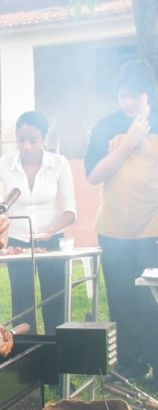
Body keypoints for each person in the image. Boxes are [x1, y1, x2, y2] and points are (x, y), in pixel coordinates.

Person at [85, 59, 158, 381]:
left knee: (151, 299)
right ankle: (130, 362)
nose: (128, 102)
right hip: (114, 229)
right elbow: (94, 174)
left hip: (152, 229)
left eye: (135, 96)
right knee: (121, 300)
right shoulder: (106, 126)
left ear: (148, 94)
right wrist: (129, 142)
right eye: (123, 96)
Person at [0, 111, 77, 334]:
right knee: (22, 303)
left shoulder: (59, 163)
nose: (26, 146)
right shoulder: (4, 164)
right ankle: (26, 357)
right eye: (21, 140)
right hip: (17, 243)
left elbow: (70, 211)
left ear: (44, 140)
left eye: (33, 140)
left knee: (55, 300)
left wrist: (51, 231)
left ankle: (57, 356)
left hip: (51, 240)